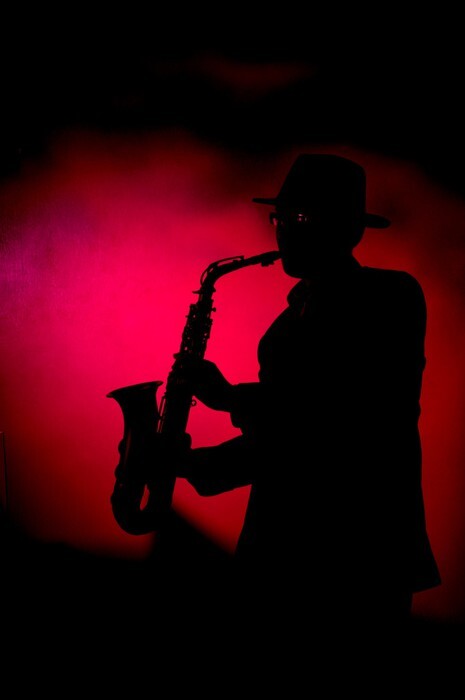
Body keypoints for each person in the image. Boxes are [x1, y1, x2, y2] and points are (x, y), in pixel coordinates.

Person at [169, 154, 441, 646]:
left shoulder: (390, 296)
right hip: (281, 555)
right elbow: (286, 437)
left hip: (356, 560)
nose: (283, 233)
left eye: (300, 218)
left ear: (347, 230)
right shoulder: (286, 321)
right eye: (280, 218)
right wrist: (195, 456)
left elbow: (335, 422)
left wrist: (224, 406)